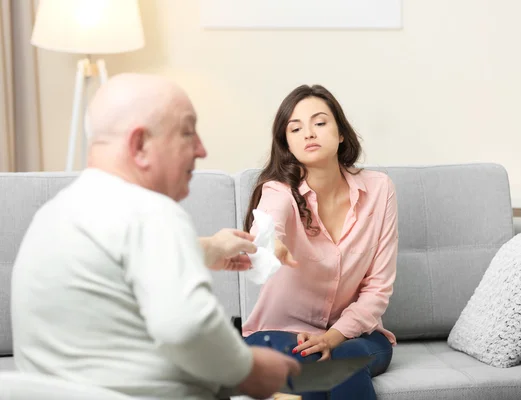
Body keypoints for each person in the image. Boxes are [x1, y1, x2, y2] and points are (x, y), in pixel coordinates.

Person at [10, 73, 300, 400]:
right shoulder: (150, 211)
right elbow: (187, 327)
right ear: (140, 146)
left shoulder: (54, 215)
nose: (201, 150)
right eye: (187, 132)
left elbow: (116, 266)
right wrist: (251, 370)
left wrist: (210, 248)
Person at [242, 84, 399, 400]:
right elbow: (267, 227)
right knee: (309, 367)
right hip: (279, 334)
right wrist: (270, 245)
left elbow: (378, 288)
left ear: (341, 133)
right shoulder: (280, 191)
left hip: (357, 336)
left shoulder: (379, 190)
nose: (308, 133)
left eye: (320, 122)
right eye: (295, 128)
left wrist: (333, 337)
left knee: (341, 360)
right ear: (287, 144)